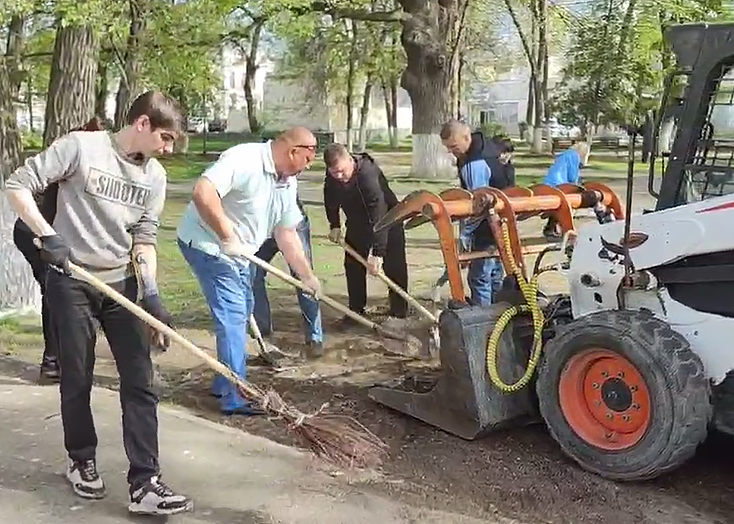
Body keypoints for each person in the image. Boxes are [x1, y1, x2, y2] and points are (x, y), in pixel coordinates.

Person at [3, 91, 193, 515]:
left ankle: (145, 483)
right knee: (77, 376)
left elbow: (143, 238)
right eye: (164, 138)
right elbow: (18, 184)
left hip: (119, 284)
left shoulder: (155, 177)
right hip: (70, 281)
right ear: (141, 124)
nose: (167, 149)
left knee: (142, 381)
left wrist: (153, 293)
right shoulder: (81, 147)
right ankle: (81, 458)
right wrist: (46, 234)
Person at [176, 127, 321, 415]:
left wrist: (306, 276)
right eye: (307, 158)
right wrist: (227, 236)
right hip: (208, 245)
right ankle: (234, 395)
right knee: (232, 315)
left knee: (245, 308)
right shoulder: (244, 159)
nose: (309, 166)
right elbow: (203, 192)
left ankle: (223, 379)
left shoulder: (287, 182)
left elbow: (286, 233)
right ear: (292, 151)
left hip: (240, 253)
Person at [12, 116, 105, 383]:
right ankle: (52, 363)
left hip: (46, 232)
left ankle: (59, 360)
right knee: (54, 291)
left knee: (58, 292)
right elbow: (52, 211)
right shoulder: (72, 161)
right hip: (34, 232)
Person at [323, 143, 408, 323]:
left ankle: (399, 313)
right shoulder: (333, 176)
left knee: (394, 267)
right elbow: (329, 197)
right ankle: (356, 310)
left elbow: (379, 215)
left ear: (350, 161)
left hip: (388, 220)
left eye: (342, 171)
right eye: (334, 173)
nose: (339, 177)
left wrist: (378, 252)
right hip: (357, 223)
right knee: (353, 265)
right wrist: (335, 225)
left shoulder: (368, 175)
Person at [430, 134, 515, 303]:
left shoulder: (473, 163)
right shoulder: (492, 154)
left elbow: (478, 203)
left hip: (484, 228)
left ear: (466, 137)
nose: (451, 151)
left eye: (453, 146)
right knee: (495, 274)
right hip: (501, 223)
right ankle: (500, 315)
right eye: (448, 147)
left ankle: (484, 321)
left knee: (480, 278)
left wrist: (465, 235)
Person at [251, 193, 324, 358]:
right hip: (262, 229)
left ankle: (315, 338)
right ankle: (263, 334)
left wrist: (307, 275)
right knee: (253, 273)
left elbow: (286, 232)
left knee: (304, 280)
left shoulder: (282, 185)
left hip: (291, 227)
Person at [541, 140, 590, 239]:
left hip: (549, 183)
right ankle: (564, 229)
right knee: (568, 203)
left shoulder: (565, 155)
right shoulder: (574, 157)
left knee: (559, 204)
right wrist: (576, 184)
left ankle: (550, 228)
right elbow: (572, 176)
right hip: (559, 183)